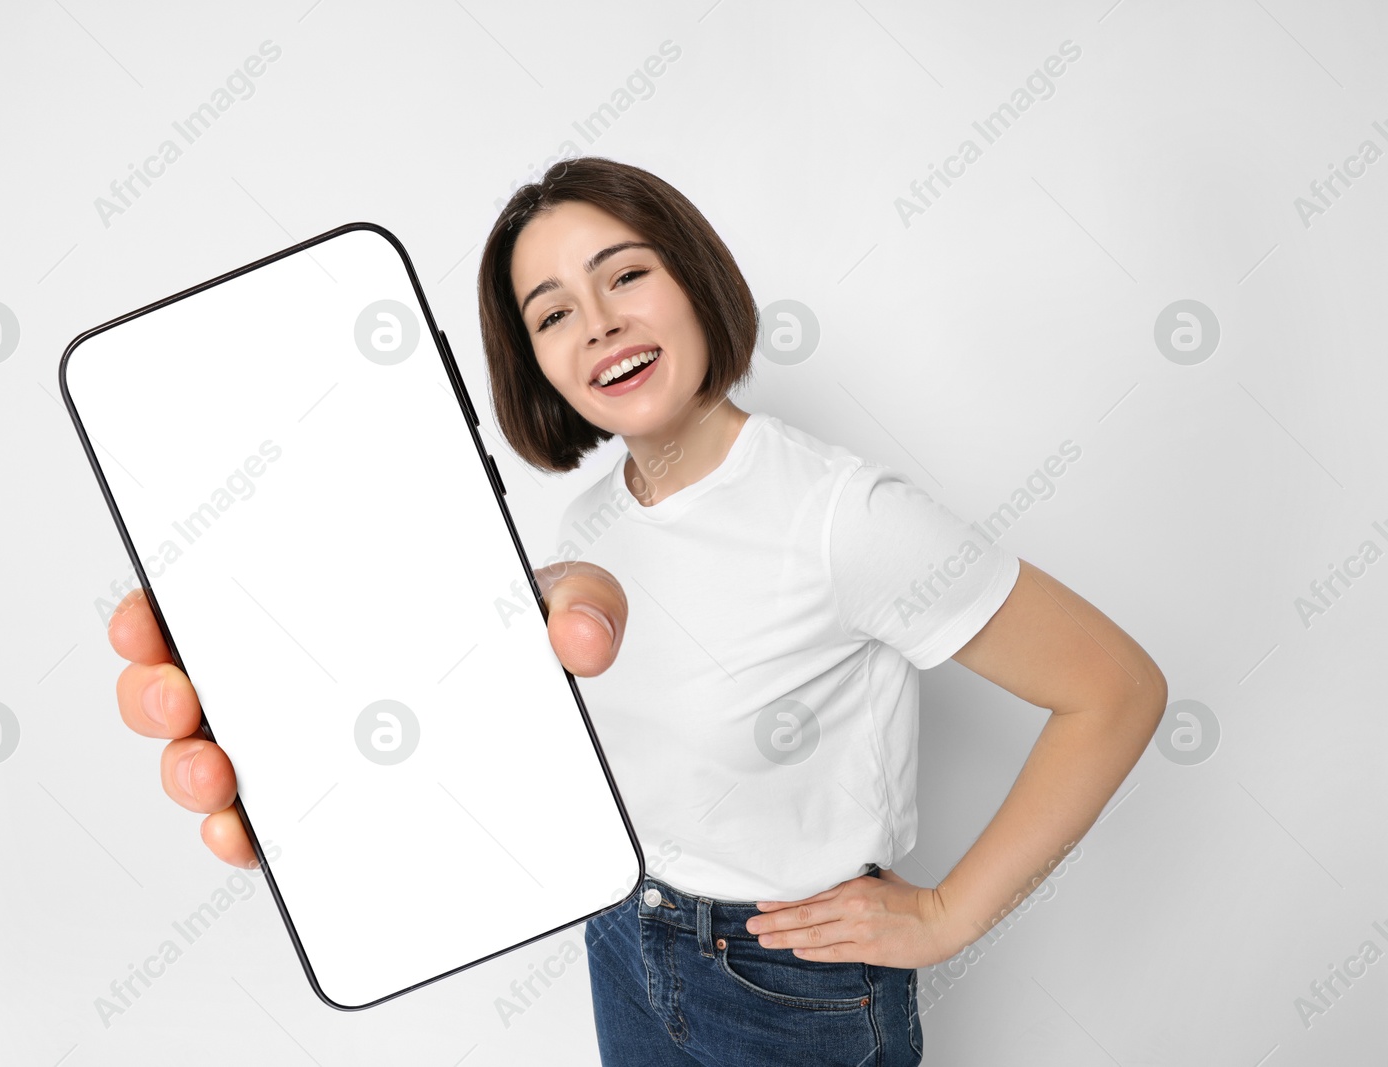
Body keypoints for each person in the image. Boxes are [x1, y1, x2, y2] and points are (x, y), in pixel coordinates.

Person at [108, 157, 1167, 1066]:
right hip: (622, 929)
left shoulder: (844, 516)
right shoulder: (586, 530)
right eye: (554, 312)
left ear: (695, 280)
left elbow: (1114, 690)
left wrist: (945, 914)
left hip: (790, 985)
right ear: (538, 368)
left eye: (625, 275)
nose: (599, 321)